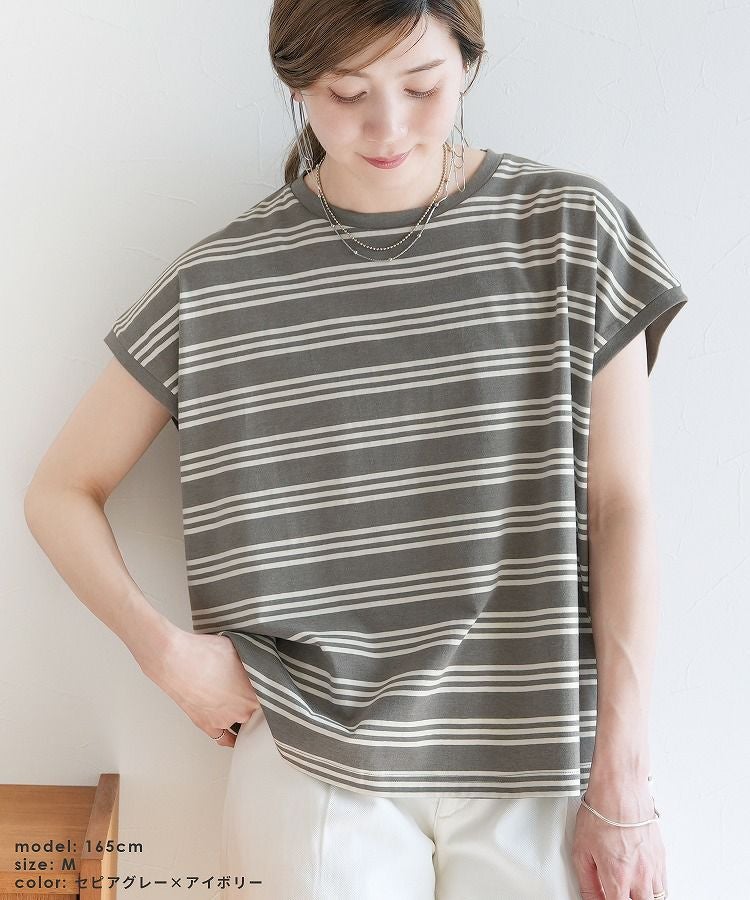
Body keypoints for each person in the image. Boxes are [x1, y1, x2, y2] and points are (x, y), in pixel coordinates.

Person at [22, 2, 687, 898]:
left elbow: (622, 509)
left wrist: (626, 777)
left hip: (541, 745)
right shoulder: (219, 283)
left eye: (423, 86)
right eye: (347, 94)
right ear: (298, 83)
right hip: (312, 753)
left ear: (468, 64)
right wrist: (167, 656)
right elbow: (60, 490)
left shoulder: (572, 232)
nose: (389, 127)